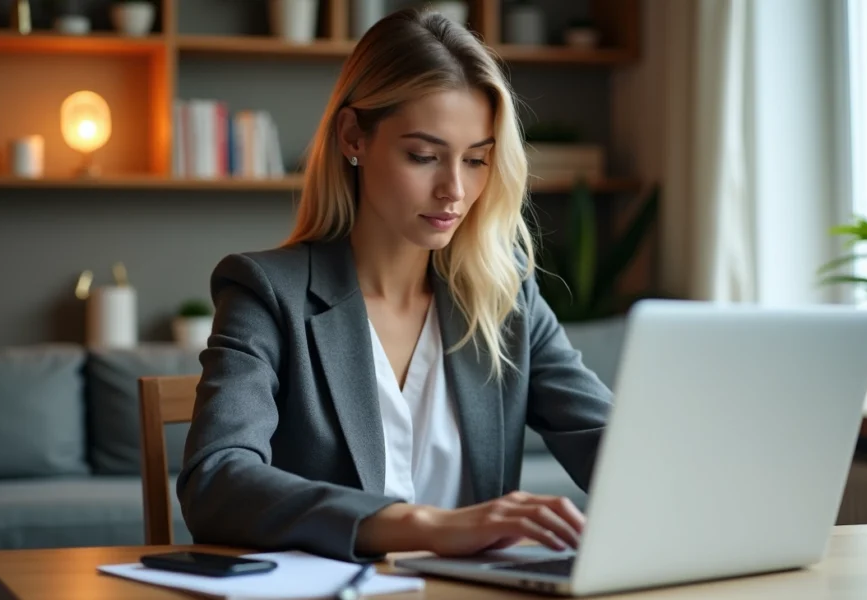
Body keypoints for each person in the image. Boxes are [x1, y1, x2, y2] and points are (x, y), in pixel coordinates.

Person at [176, 8, 614, 564]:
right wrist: (426, 526)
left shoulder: (505, 296)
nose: (454, 189)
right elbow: (216, 481)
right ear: (353, 137)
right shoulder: (266, 292)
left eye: (477, 160)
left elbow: (613, 447)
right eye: (424, 156)